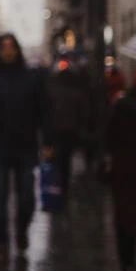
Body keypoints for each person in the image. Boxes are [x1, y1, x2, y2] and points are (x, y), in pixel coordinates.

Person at [0, 33, 53, 262]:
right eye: (3, 47)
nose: (7, 51)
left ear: (17, 49)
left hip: (25, 148)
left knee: (27, 198)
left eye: (11, 47)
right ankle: (1, 241)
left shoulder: (32, 78)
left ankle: (21, 230)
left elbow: (45, 111)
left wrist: (47, 141)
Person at [106, 64, 136, 271]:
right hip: (130, 168)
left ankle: (127, 264)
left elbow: (110, 137)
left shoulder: (123, 105)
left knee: (125, 216)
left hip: (126, 169)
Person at [47, 60, 90, 202]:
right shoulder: (76, 92)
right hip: (70, 130)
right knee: (66, 158)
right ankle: (63, 185)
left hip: (55, 130)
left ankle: (56, 185)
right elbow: (83, 112)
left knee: (56, 158)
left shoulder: (52, 91)